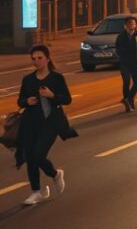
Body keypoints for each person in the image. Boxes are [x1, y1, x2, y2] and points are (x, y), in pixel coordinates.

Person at [16, 45, 76, 206]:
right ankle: (36, 192)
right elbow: (20, 100)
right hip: (30, 123)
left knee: (38, 155)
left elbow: (67, 99)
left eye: (39, 58)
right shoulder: (28, 79)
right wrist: (26, 101)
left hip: (51, 123)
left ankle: (56, 174)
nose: (36, 61)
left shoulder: (56, 78)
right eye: (33, 58)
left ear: (48, 58)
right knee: (30, 157)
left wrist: (52, 95)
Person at [115, 16, 137, 111]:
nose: (132, 25)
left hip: (135, 62)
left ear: (135, 25)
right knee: (126, 80)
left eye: (133, 23)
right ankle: (128, 103)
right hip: (124, 62)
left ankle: (129, 98)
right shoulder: (121, 36)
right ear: (126, 25)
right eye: (129, 23)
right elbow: (119, 50)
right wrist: (132, 45)